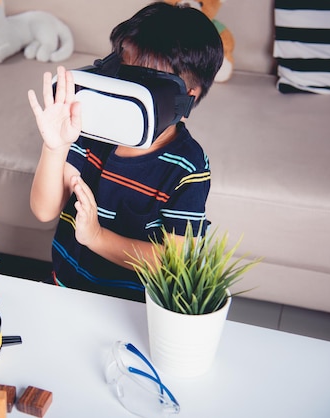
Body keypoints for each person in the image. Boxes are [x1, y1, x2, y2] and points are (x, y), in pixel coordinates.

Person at [27, 2, 224, 301]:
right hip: (64, 286)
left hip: (130, 308)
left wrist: (97, 237)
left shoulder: (187, 166)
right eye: (122, 71)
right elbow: (44, 210)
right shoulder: (91, 132)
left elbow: (174, 261)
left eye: (144, 83)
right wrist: (55, 147)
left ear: (186, 101)